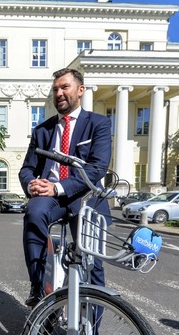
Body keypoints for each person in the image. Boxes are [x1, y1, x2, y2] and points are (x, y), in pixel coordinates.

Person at [19, 68, 113, 307]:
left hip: (86, 195)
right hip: (50, 199)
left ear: (80, 90)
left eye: (64, 87)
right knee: (33, 213)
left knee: (92, 263)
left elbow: (97, 168)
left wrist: (58, 187)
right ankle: (38, 288)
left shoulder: (99, 124)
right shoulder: (42, 130)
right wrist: (31, 184)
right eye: (55, 89)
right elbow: (27, 169)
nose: (59, 93)